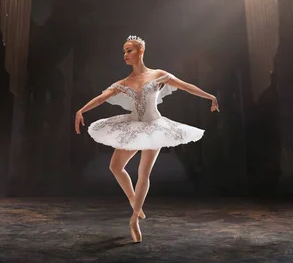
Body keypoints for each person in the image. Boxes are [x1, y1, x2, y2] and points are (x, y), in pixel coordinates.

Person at [74, 36, 219, 242]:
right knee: (115, 166)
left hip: (154, 127)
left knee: (144, 172)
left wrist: (210, 97)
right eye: (124, 51)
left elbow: (186, 86)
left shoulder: (158, 75)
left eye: (129, 50)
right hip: (133, 125)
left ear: (140, 52)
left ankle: (134, 218)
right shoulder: (124, 83)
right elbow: (101, 98)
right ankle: (135, 201)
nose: (125, 55)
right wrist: (81, 110)